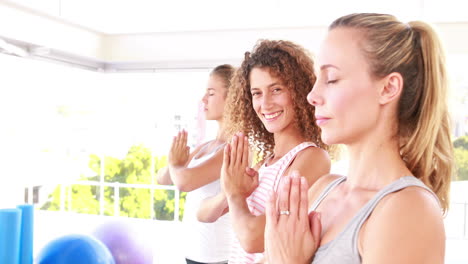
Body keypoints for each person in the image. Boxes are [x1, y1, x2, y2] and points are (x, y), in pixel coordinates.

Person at [264, 13, 454, 264]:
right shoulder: (322, 189)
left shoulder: (408, 210)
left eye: (331, 79)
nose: (312, 95)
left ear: (388, 88)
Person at [199, 39, 332, 263]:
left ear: (299, 92)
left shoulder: (312, 158)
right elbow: (204, 214)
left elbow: (254, 238)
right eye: (257, 93)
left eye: (276, 89)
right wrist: (230, 191)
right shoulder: (265, 163)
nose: (266, 104)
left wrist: (234, 195)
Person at [157, 64, 235, 264]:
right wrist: (173, 162)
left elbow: (184, 182)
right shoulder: (206, 147)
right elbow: (163, 179)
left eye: (211, 93)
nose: (203, 100)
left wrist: (176, 165)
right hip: (194, 253)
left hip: (216, 258)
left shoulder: (233, 148)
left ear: (232, 99)